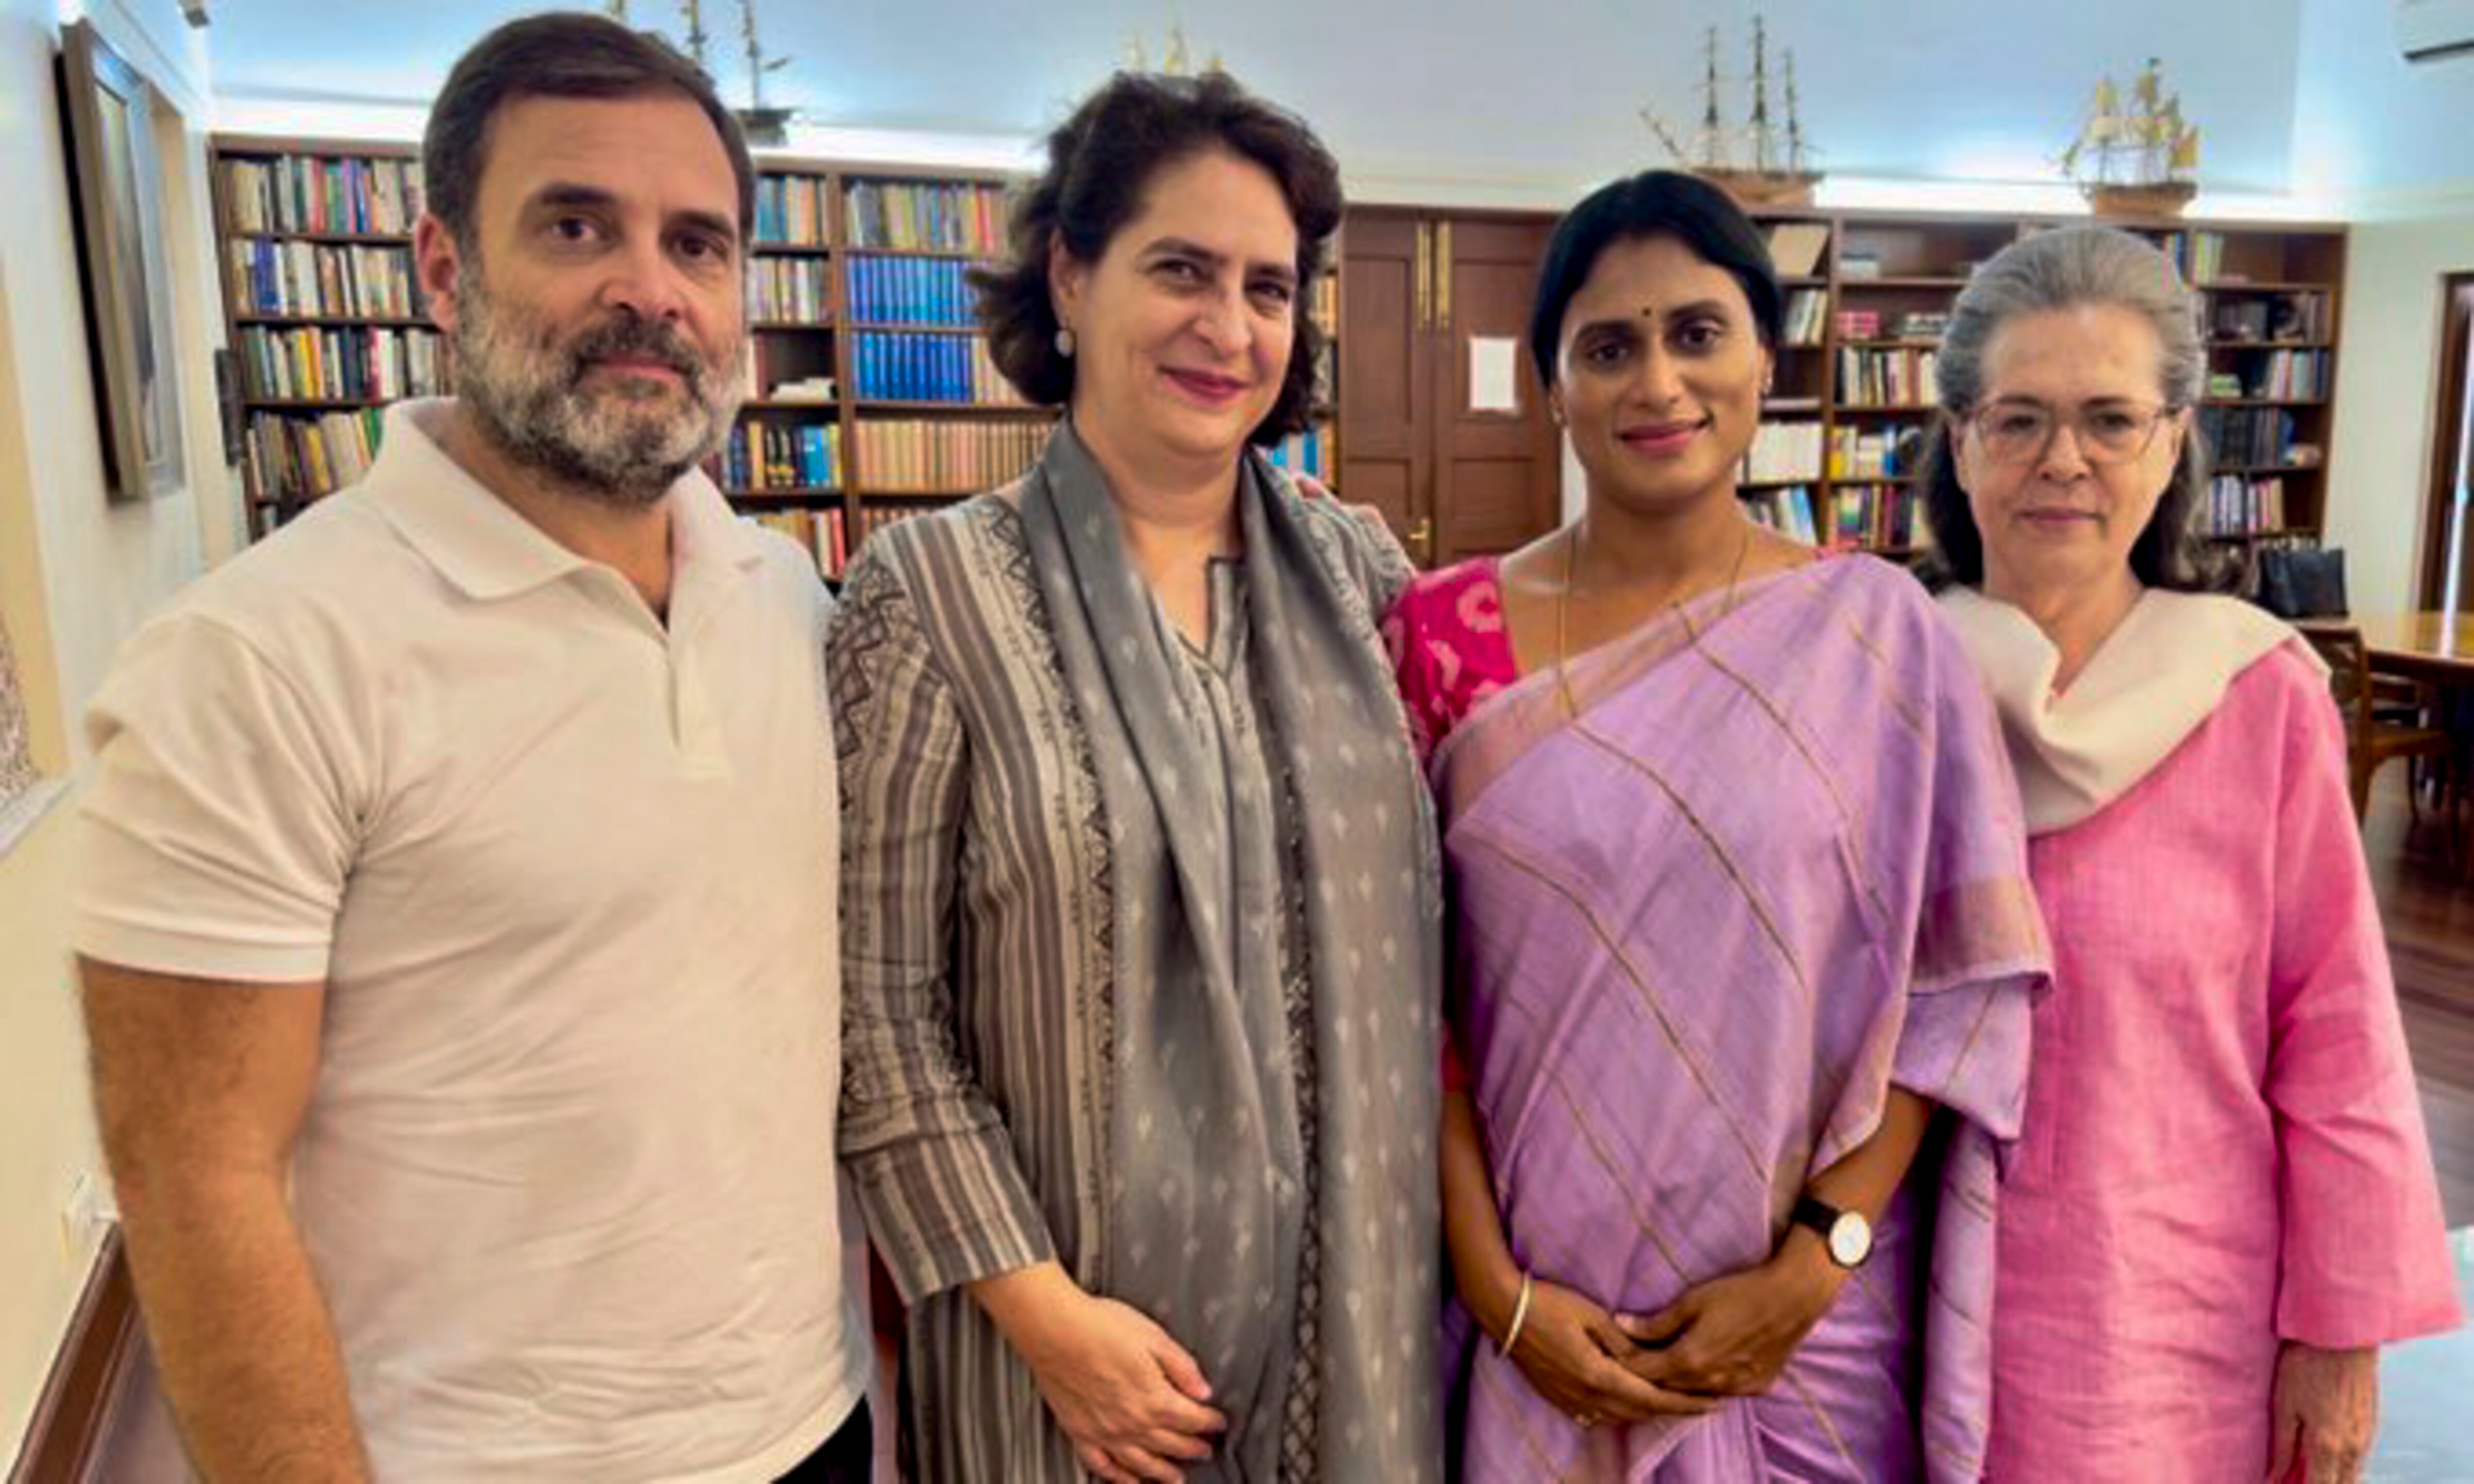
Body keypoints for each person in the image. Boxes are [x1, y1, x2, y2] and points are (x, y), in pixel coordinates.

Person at [75, 15, 871, 1480]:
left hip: (810, 1421)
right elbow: (194, 1184)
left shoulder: (790, 604)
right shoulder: (252, 660)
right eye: (577, 226)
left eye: (698, 245)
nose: (650, 290)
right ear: (444, 268)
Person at [1383, 170, 2048, 1481]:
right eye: (1607, 348)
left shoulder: (1878, 639)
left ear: (1764, 361)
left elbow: (1953, 989)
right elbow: (1407, 1009)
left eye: (1698, 334)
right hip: (1532, 1318)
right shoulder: (1444, 635)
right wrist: (1498, 1291)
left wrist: (1814, 1265)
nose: (1658, 384)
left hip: (1807, 1339)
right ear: (1553, 385)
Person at [829, 70, 1441, 1484]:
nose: (1229, 327)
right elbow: (876, 1017)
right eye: (1181, 269)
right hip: (1065, 1385)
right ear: (1070, 273)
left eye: (1268, 288)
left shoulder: (1360, 578)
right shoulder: (928, 597)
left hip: (1359, 1348)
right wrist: (1048, 1322)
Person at [1923, 224, 2462, 1484]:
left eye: (2112, 421)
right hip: (1900, 1303)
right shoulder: (1892, 680)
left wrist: (2339, 1332)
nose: (2065, 460)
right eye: (2019, 420)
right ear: (1959, 440)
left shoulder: (2255, 695)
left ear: (2171, 446)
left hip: (2165, 1320)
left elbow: (2338, 1032)